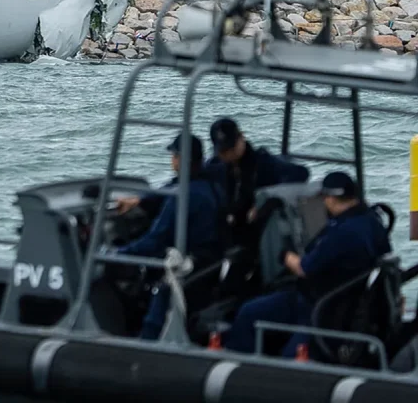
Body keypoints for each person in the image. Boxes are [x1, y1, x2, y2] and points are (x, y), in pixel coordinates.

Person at [223, 171, 392, 357]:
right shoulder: (372, 222)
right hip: (341, 303)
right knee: (250, 312)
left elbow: (304, 268)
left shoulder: (342, 233)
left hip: (322, 308)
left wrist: (284, 254)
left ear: (331, 199)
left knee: (281, 347)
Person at [115, 132, 225, 340]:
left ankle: (145, 340)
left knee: (158, 284)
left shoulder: (181, 197)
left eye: (174, 155)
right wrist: (139, 201)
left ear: (181, 159)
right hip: (210, 264)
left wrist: (115, 254)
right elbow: (170, 187)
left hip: (189, 269)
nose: (172, 160)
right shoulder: (212, 183)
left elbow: (154, 241)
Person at [205, 117, 310, 252]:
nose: (229, 154)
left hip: (257, 230)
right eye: (223, 151)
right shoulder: (215, 166)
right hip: (227, 230)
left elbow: (300, 173)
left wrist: (266, 199)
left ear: (241, 138)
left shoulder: (263, 162)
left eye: (231, 147)